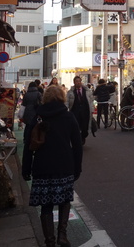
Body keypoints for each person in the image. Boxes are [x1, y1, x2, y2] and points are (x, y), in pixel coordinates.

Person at [23, 85, 82, 247]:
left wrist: (25, 168)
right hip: (64, 165)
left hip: (42, 165)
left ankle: (49, 241)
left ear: (45, 98)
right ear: (62, 98)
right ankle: (62, 235)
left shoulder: (38, 116)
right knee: (64, 201)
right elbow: (77, 145)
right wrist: (77, 168)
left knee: (46, 205)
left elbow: (29, 143)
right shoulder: (68, 117)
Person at [67, 76, 90, 145]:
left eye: (79, 81)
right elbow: (67, 101)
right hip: (74, 110)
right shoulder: (70, 92)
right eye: (76, 81)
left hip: (84, 111)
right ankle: (77, 139)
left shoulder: (86, 91)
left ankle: (83, 137)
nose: (78, 83)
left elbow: (90, 100)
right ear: (74, 83)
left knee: (84, 126)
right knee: (76, 125)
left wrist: (91, 109)